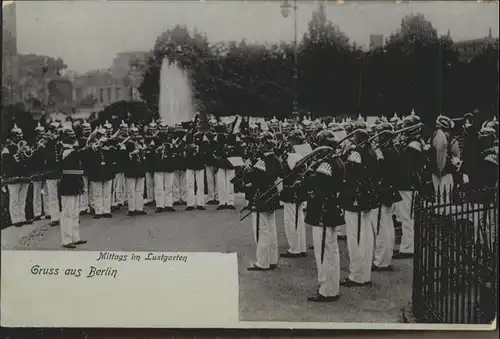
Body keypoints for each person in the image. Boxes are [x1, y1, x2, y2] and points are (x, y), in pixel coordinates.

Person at [304, 130, 346, 302]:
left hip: (323, 211)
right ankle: (331, 286)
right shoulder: (337, 161)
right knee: (331, 250)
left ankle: (327, 289)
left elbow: (318, 187)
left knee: (324, 251)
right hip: (331, 210)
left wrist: (308, 175)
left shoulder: (326, 164)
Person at [339, 119, 378, 287]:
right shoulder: (372, 151)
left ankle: (357, 275)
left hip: (356, 198)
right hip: (367, 197)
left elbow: (348, 173)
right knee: (366, 237)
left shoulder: (356, 152)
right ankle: (365, 274)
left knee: (356, 239)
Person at [244, 131, 282, 271]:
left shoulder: (262, 160)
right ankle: (272, 259)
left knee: (261, 230)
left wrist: (248, 170)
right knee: (271, 228)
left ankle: (262, 261)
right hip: (271, 194)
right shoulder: (276, 159)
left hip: (261, 195)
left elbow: (254, 177)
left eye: (261, 142)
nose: (259, 145)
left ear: (266, 144)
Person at [393, 114, 426, 259]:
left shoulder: (414, 145)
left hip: (409, 186)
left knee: (408, 217)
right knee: (406, 217)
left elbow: (409, 167)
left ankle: (408, 248)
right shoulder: (413, 143)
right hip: (407, 185)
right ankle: (407, 246)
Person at [371, 122, 402, 270]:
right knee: (388, 226)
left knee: (381, 227)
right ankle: (386, 258)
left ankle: (380, 260)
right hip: (391, 190)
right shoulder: (394, 149)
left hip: (382, 191)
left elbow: (378, 171)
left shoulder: (382, 151)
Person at [58, 125, 87, 249]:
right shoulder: (65, 150)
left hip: (75, 182)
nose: (74, 139)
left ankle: (75, 237)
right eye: (71, 137)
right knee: (67, 213)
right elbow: (77, 154)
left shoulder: (72, 150)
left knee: (75, 212)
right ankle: (66, 240)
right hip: (68, 183)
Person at [280, 129, 307, 258]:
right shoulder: (305, 153)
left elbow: (286, 172)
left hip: (291, 190)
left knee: (291, 220)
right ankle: (301, 246)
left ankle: (295, 248)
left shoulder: (293, 156)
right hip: (299, 190)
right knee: (299, 218)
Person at [2, 124, 33, 227]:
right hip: (13, 176)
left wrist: (27, 152)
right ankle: (15, 219)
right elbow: (5, 164)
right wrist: (14, 158)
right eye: (18, 136)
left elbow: (29, 159)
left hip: (24, 175)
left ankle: (22, 217)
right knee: (14, 199)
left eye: (21, 135)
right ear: (13, 136)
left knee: (22, 198)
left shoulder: (23, 145)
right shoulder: (7, 149)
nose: (20, 137)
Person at [152, 123, 176, 213]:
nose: (163, 130)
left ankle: (169, 204)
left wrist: (171, 147)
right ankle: (160, 205)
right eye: (161, 128)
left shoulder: (171, 137)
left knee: (169, 186)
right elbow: (151, 149)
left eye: (165, 128)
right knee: (159, 186)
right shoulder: (155, 138)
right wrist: (157, 149)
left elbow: (175, 150)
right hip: (158, 165)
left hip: (169, 164)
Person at [125, 125, 147, 216]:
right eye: (133, 134)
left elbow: (144, 156)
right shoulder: (127, 143)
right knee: (131, 190)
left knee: (139, 190)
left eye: (137, 133)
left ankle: (139, 208)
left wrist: (142, 149)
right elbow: (125, 155)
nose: (135, 135)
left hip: (140, 168)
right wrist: (134, 153)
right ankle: (132, 208)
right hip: (131, 168)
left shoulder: (140, 143)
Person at [185, 132, 207, 211]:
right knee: (189, 185)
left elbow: (205, 148)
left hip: (199, 163)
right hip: (190, 163)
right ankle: (190, 203)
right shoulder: (188, 136)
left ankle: (200, 203)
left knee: (200, 185)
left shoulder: (202, 136)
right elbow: (185, 148)